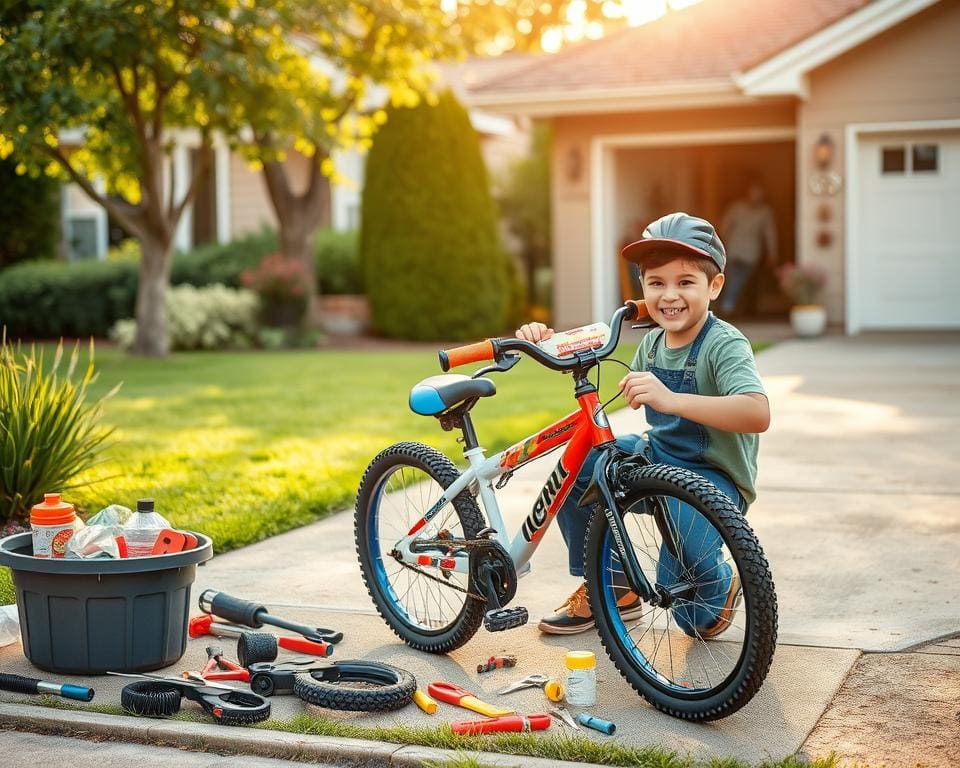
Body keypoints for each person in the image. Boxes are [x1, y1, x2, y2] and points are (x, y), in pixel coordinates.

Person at [516, 212, 770, 635]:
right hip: (658, 458)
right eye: (656, 283)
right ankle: (611, 587)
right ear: (643, 288)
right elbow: (581, 352)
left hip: (713, 476)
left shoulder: (724, 343)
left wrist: (672, 399)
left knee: (693, 619)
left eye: (685, 282)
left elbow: (756, 412)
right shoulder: (650, 341)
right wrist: (544, 338)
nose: (669, 295)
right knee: (581, 467)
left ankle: (720, 586)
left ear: (715, 285)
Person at [718, 181, 777, 316]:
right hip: (734, 249)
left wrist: (772, 253)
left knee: (740, 279)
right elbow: (724, 227)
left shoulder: (765, 212)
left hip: (751, 251)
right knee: (735, 278)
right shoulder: (736, 208)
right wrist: (724, 244)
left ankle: (730, 305)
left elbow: (770, 233)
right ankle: (729, 305)